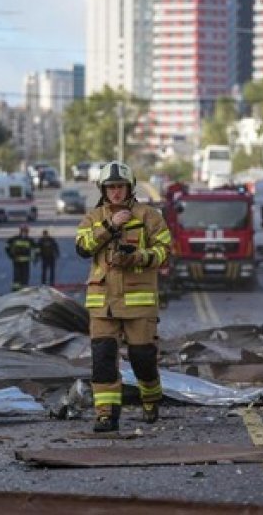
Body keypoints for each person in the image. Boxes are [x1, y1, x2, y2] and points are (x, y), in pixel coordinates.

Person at [75, 161, 171, 433]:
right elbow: (83, 247)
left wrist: (139, 257)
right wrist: (109, 225)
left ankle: (151, 398)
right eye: (110, 187)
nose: (115, 192)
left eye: (120, 187)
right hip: (102, 303)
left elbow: (165, 251)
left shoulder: (149, 216)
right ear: (103, 190)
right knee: (103, 359)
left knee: (143, 359)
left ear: (129, 188)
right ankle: (106, 415)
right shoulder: (93, 218)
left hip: (138, 303)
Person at [5, 224, 36, 291]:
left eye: (26, 231)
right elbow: (7, 246)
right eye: (24, 231)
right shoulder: (15, 239)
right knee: (17, 276)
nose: (25, 232)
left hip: (25, 261)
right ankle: (16, 290)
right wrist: (11, 255)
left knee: (24, 277)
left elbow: (36, 249)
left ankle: (23, 290)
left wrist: (35, 258)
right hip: (17, 260)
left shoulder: (30, 240)